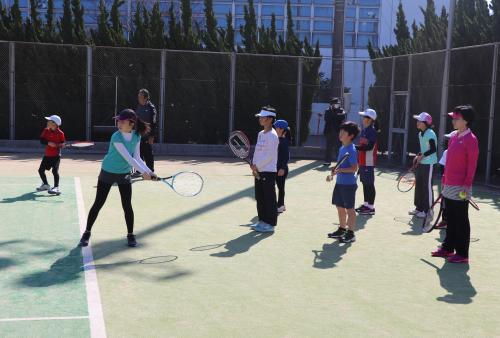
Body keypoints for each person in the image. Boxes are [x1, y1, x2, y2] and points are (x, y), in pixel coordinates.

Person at [79, 109, 157, 248]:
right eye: (118, 120)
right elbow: (129, 158)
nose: (118, 123)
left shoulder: (136, 136)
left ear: (131, 123)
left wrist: (150, 172)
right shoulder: (116, 136)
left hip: (124, 174)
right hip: (108, 171)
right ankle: (87, 232)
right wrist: (143, 173)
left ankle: (130, 235)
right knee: (98, 203)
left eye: (122, 121)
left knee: (127, 205)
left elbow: (137, 157)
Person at [431, 105, 479, 264]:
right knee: (450, 218)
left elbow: (472, 165)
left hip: (462, 187)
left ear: (465, 121)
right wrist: (444, 180)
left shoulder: (471, 140)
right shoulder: (453, 136)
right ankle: (447, 248)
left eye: (456, 118)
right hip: (449, 184)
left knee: (461, 219)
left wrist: (466, 186)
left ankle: (462, 253)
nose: (453, 120)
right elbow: (449, 162)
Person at [326, 121, 360, 243]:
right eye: (340, 131)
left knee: (350, 209)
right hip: (340, 183)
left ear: (350, 135)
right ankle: (341, 229)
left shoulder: (351, 150)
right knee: (339, 207)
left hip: (349, 185)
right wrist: (335, 169)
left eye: (343, 132)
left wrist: (340, 169)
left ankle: (351, 234)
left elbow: (354, 168)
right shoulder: (342, 148)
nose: (340, 133)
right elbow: (341, 165)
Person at [250, 107, 280, 233]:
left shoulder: (273, 136)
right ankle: (262, 221)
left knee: (269, 198)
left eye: (263, 117)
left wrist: (258, 166)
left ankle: (270, 223)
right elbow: (258, 152)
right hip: (258, 170)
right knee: (260, 197)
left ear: (270, 119)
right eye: (260, 117)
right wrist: (253, 165)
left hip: (268, 171)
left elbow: (270, 156)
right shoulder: (260, 134)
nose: (260, 119)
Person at [409, 112, 438, 218]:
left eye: (419, 121)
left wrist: (423, 155)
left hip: (429, 164)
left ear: (425, 123)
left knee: (427, 187)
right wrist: (418, 156)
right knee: (419, 186)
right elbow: (424, 149)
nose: (417, 122)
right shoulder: (420, 134)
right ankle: (419, 208)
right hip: (422, 163)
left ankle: (428, 211)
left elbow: (433, 149)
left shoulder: (430, 133)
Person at [355, 108, 379, 216]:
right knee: (365, 184)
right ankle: (366, 204)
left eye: (364, 117)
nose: (363, 118)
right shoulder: (364, 130)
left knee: (369, 184)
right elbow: (362, 146)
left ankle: (371, 207)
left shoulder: (372, 131)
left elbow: (369, 147)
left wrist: (355, 147)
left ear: (369, 119)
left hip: (368, 163)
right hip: (362, 162)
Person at [36, 115, 65, 195]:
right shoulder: (46, 130)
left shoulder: (60, 133)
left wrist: (61, 145)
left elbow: (62, 143)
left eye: (49, 121)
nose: (47, 122)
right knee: (40, 170)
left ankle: (56, 187)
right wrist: (49, 143)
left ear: (54, 123)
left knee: (55, 171)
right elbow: (41, 140)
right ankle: (46, 185)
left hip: (56, 156)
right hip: (47, 155)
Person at [133, 88, 157, 177]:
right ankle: (139, 171)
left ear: (146, 98)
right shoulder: (138, 106)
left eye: (140, 96)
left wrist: (152, 136)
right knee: (138, 153)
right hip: (138, 135)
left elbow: (153, 123)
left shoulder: (151, 108)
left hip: (147, 135)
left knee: (148, 153)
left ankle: (150, 171)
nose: (138, 98)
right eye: (138, 96)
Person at [274, 119, 291, 214]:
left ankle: (280, 205)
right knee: (280, 187)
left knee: (280, 187)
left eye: (276, 127)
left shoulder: (283, 141)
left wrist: (282, 168)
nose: (274, 129)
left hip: (281, 169)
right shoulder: (278, 139)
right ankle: (282, 205)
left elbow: (286, 156)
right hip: (276, 167)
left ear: (281, 129)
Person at [323, 97, 346, 165]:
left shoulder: (341, 110)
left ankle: (339, 162)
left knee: (338, 147)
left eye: (338, 104)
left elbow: (342, 117)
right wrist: (336, 116)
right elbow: (327, 119)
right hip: (329, 131)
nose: (337, 105)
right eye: (335, 104)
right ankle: (327, 161)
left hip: (338, 132)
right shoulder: (327, 110)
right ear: (332, 104)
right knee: (328, 147)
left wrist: (335, 116)